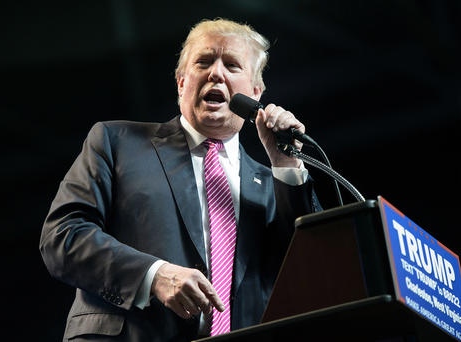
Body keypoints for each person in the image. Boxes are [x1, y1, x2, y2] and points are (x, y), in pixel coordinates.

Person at [40, 18, 321, 342]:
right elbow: (62, 237)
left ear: (255, 93)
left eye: (232, 64)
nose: (216, 73)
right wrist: (153, 275)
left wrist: (286, 163)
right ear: (181, 82)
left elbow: (306, 268)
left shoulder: (275, 182)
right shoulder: (116, 142)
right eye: (204, 61)